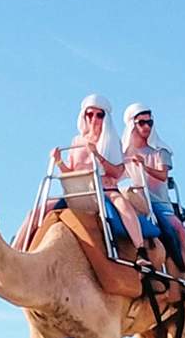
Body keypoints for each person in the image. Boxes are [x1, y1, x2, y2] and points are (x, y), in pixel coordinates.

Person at [56, 94, 152, 259]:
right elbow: (69, 172)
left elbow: (117, 172)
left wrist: (97, 155)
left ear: (105, 117)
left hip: (106, 189)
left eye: (99, 115)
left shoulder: (111, 140)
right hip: (79, 192)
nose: (94, 119)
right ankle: (20, 248)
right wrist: (58, 161)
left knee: (123, 206)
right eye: (89, 114)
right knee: (39, 211)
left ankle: (140, 251)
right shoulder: (76, 141)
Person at [121, 103, 185, 282]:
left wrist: (144, 166)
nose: (146, 127)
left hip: (158, 202)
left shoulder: (160, 151)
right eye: (142, 123)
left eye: (149, 122)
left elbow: (163, 176)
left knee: (179, 231)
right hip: (134, 197)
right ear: (133, 124)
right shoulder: (124, 152)